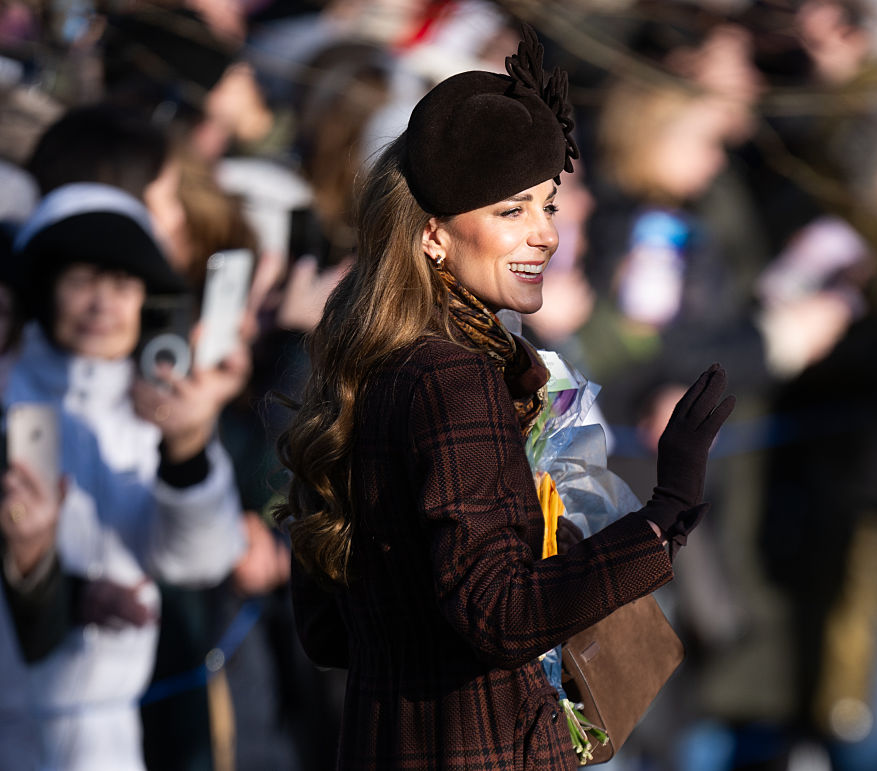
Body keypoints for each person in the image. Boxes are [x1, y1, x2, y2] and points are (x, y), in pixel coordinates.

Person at [276, 26, 734, 768]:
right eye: (511, 210)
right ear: (434, 235)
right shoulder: (453, 375)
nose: (545, 235)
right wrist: (663, 515)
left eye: (549, 206)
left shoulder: (372, 364)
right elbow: (501, 612)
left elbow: (330, 628)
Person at [0, 183, 246, 770]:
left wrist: (186, 448)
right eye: (83, 281)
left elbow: (200, 562)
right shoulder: (8, 390)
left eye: (123, 285)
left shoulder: (159, 408)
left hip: (111, 730)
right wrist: (64, 586)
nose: (102, 305)